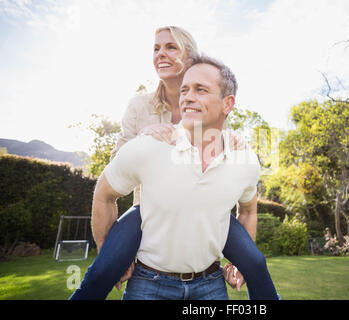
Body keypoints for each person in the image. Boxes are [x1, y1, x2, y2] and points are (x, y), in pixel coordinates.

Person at [69, 26, 278, 300]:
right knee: (102, 271)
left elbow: (217, 135)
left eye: (171, 47)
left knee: (256, 263)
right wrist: (143, 138)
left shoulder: (212, 99)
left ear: (190, 57)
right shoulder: (141, 106)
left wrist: (230, 140)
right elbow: (117, 166)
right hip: (148, 209)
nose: (161, 54)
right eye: (156, 48)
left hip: (205, 204)